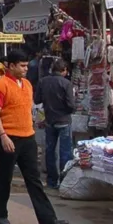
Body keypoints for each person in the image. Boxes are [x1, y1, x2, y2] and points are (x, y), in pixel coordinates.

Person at [0, 50, 65, 224]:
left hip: (27, 137)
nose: (25, 69)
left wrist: (36, 120)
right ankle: (0, 215)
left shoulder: (28, 84)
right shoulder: (1, 85)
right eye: (22, 66)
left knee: (34, 180)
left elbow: (29, 108)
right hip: (8, 137)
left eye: (26, 65)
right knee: (5, 177)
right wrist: (3, 136)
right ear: (11, 66)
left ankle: (48, 219)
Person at [34, 59, 75, 189]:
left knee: (50, 151)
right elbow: (71, 105)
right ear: (64, 71)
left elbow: (37, 99)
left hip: (50, 120)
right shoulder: (66, 83)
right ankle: (64, 181)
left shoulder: (43, 82)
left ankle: (52, 181)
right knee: (65, 152)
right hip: (63, 120)